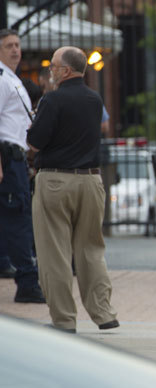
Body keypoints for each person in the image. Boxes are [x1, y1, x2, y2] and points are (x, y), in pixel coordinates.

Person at [27, 46, 118, 333]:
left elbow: (35, 143)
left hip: (55, 180)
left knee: (54, 252)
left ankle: (64, 320)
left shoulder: (51, 100)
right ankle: (103, 313)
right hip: (91, 180)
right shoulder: (94, 99)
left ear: (66, 70)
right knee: (91, 249)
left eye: (53, 66)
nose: (50, 71)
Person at [0, 29, 45, 303]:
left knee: (13, 217)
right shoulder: (2, 80)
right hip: (6, 157)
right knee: (17, 219)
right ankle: (28, 282)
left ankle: (15, 269)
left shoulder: (13, 79)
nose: (15, 50)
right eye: (8, 46)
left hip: (16, 156)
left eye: (17, 45)